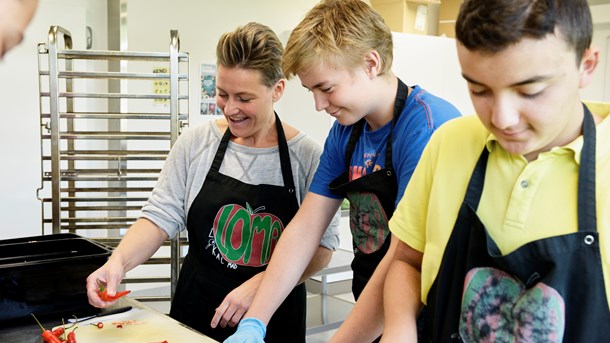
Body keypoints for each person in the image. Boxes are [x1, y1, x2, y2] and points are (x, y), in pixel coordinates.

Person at [85, 22, 340, 343]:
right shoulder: (196, 143)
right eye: (222, 94)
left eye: (244, 98)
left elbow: (322, 247)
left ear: (277, 90)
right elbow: (159, 216)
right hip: (197, 310)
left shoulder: (307, 156)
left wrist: (263, 283)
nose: (230, 108)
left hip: (274, 319)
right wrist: (118, 263)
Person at [225, 0, 461, 341]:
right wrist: (255, 321)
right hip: (370, 305)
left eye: (326, 88)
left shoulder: (425, 128)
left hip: (424, 318)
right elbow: (306, 227)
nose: (319, 105)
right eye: (311, 91)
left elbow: (404, 258)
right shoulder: (348, 132)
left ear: (370, 63)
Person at [382, 0, 610, 341]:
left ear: (586, 66)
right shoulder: (451, 143)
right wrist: (400, 330)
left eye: (529, 91)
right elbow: (407, 261)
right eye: (479, 90)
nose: (502, 119)